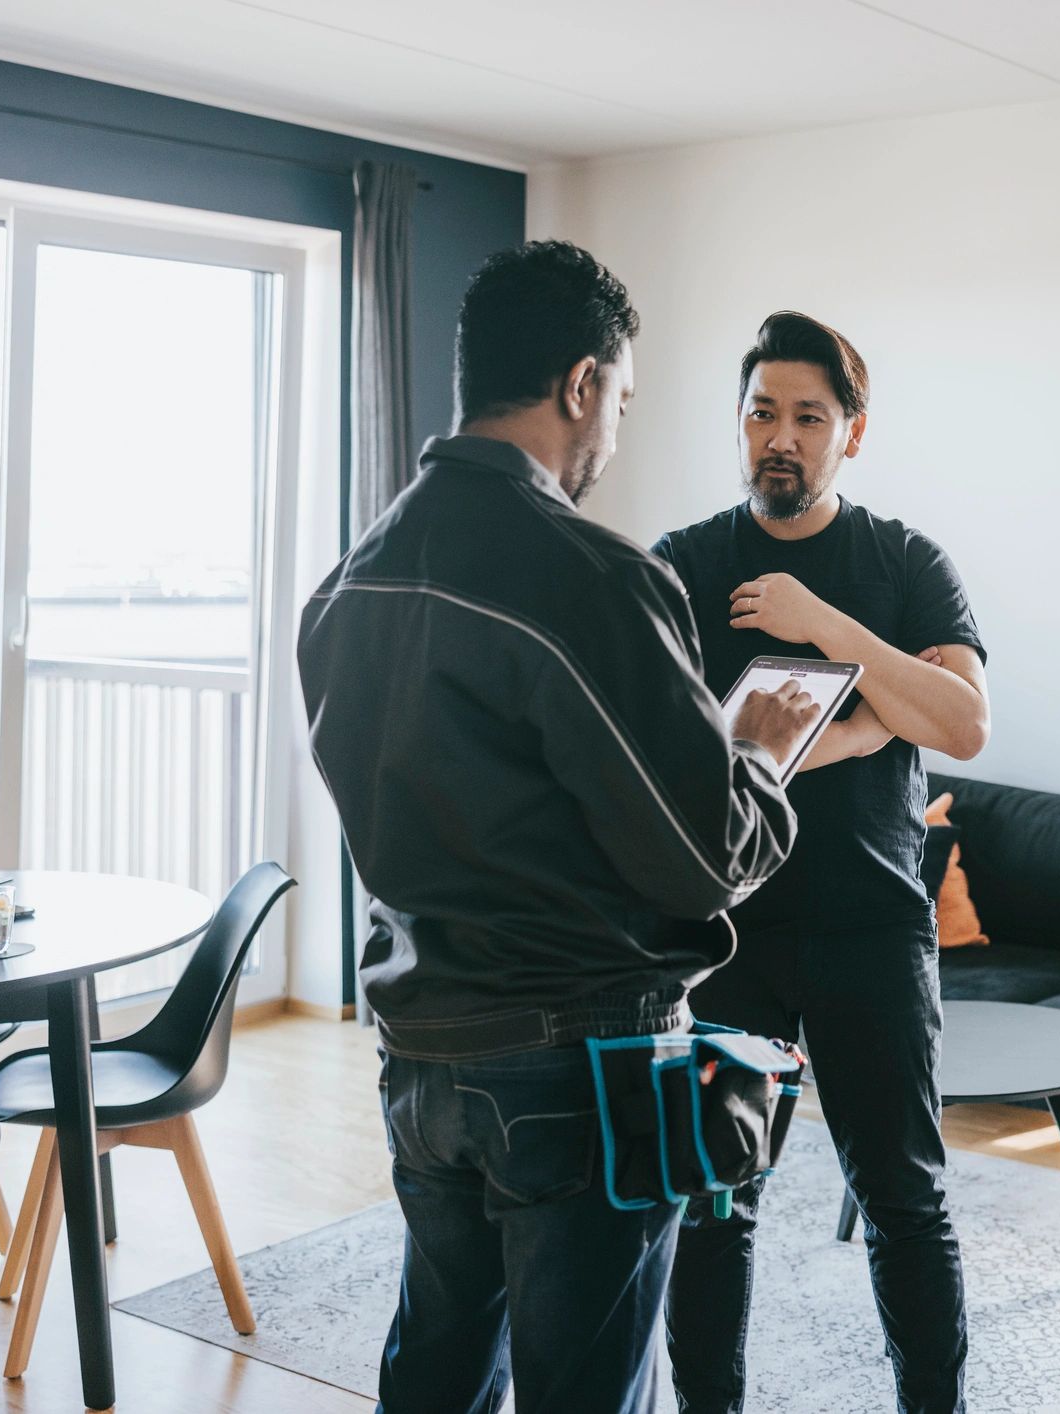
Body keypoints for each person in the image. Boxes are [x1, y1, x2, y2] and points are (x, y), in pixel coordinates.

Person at [297, 242, 822, 1414]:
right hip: (575, 1060)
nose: (614, 436)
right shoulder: (590, 574)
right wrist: (762, 758)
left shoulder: (346, 585)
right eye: (622, 403)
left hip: (420, 1051)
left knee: (435, 1375)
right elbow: (704, 860)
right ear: (582, 383)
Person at [653, 311, 990, 1414]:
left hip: (870, 930)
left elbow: (962, 722)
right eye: (760, 413)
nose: (778, 437)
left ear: (852, 432)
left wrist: (824, 627)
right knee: (713, 1204)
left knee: (902, 1199)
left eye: (806, 415)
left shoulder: (901, 562)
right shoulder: (684, 563)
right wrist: (858, 723)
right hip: (723, 939)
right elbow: (638, 733)